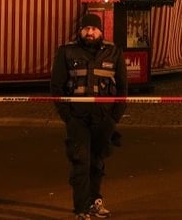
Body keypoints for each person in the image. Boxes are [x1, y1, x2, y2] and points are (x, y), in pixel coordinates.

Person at [51, 13, 127, 220]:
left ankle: (95, 202)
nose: (90, 32)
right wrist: (68, 116)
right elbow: (56, 86)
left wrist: (114, 118)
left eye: (94, 29)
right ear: (80, 31)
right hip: (78, 118)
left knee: (97, 162)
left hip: (104, 119)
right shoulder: (67, 52)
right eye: (86, 29)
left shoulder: (113, 52)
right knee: (80, 162)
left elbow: (122, 88)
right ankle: (81, 209)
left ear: (101, 31)